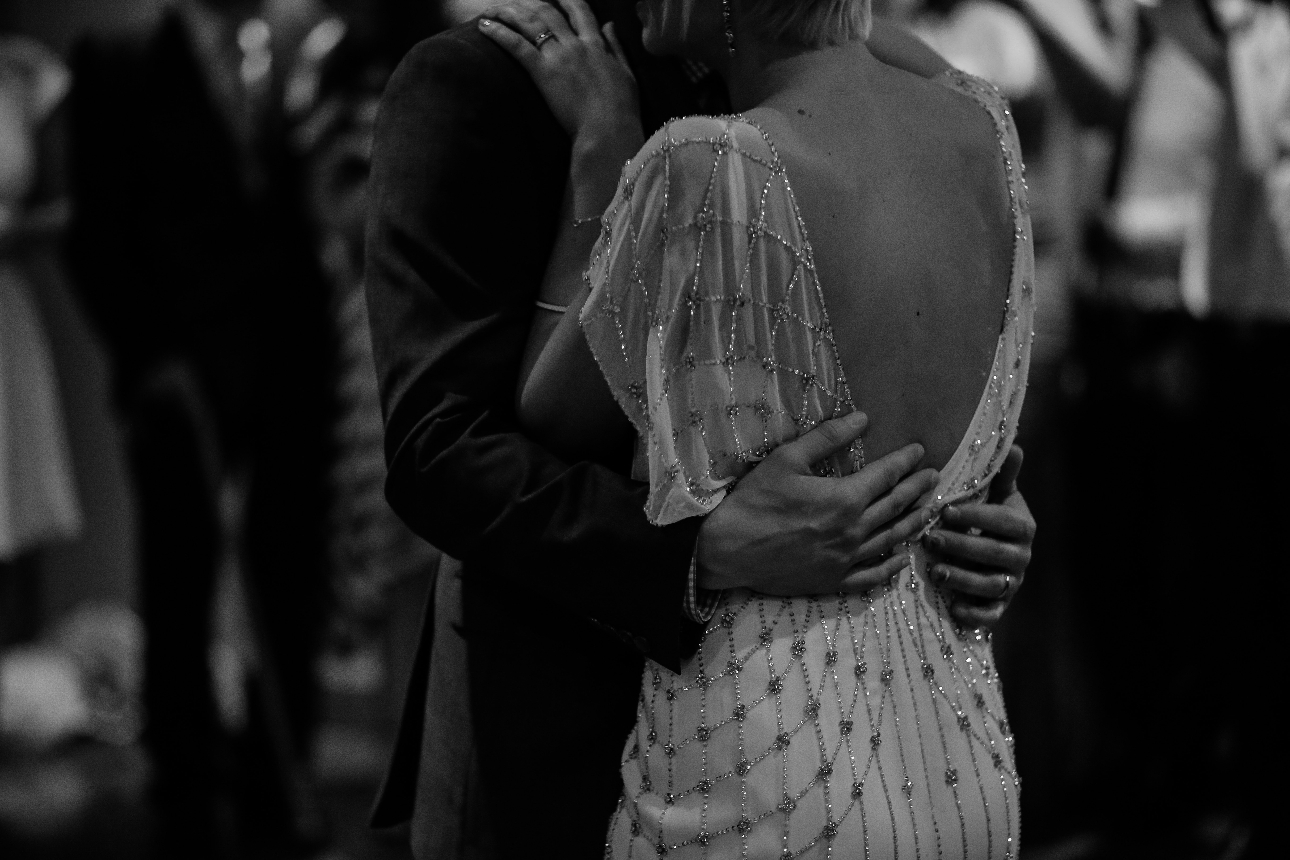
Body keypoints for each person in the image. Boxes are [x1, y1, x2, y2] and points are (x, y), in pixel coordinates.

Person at [362, 1, 1036, 857]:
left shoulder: (832, 74)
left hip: (802, 744)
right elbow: (440, 452)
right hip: (565, 706)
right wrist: (693, 555)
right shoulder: (475, 81)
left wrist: (975, 508)